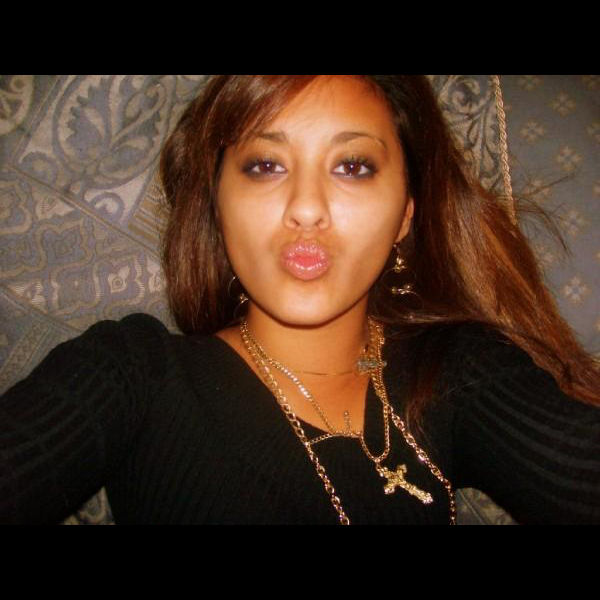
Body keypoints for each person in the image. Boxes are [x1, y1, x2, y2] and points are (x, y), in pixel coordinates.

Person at [1, 75, 599, 525]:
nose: (307, 208)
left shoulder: (456, 371)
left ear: (404, 215)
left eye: (353, 166)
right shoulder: (133, 372)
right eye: (265, 165)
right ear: (216, 205)